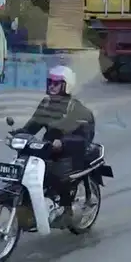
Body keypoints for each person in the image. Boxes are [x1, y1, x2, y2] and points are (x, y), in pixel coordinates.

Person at [13, 64, 96, 227]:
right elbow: (32, 126)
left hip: (73, 146)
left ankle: (67, 209)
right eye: (50, 82)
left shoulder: (75, 108)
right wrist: (17, 134)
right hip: (49, 145)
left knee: (58, 173)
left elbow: (84, 135)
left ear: (66, 85)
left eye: (56, 83)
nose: (52, 86)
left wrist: (64, 142)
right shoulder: (46, 104)